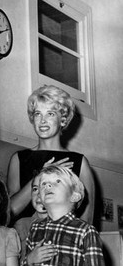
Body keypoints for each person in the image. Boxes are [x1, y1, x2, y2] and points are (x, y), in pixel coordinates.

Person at [7, 85, 95, 225]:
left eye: (50, 114)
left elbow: (87, 217)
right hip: (25, 239)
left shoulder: (79, 162)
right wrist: (40, 177)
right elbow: (9, 211)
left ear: (63, 120)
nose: (42, 120)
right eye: (38, 114)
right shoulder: (19, 158)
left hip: (65, 240)